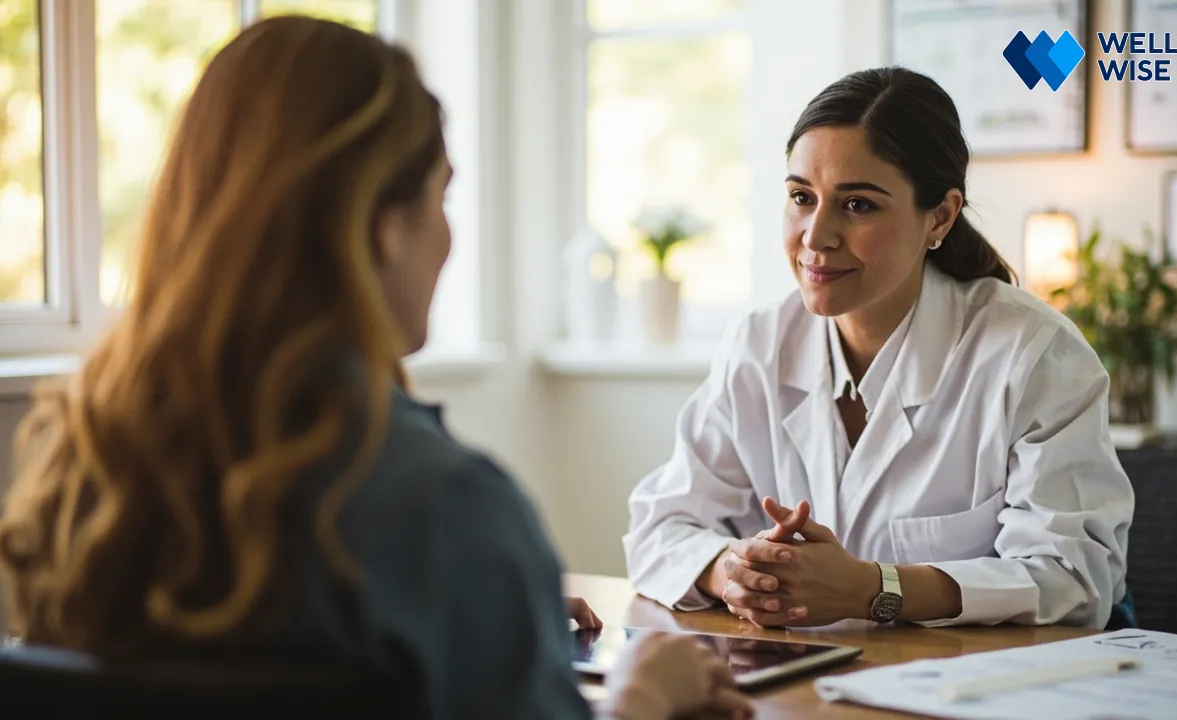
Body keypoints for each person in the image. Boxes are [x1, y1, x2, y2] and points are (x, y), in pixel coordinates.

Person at [0, 17, 752, 720]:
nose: (449, 235)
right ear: (382, 225)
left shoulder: (78, 470)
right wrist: (637, 700)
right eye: (442, 194)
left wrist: (488, 603)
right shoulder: (450, 508)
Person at [624, 67, 1134, 631]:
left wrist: (873, 589)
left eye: (858, 205)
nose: (816, 237)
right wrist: (733, 570)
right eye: (801, 197)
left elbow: (1076, 579)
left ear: (939, 215)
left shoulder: (1033, 353)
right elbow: (658, 528)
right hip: (804, 684)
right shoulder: (758, 345)